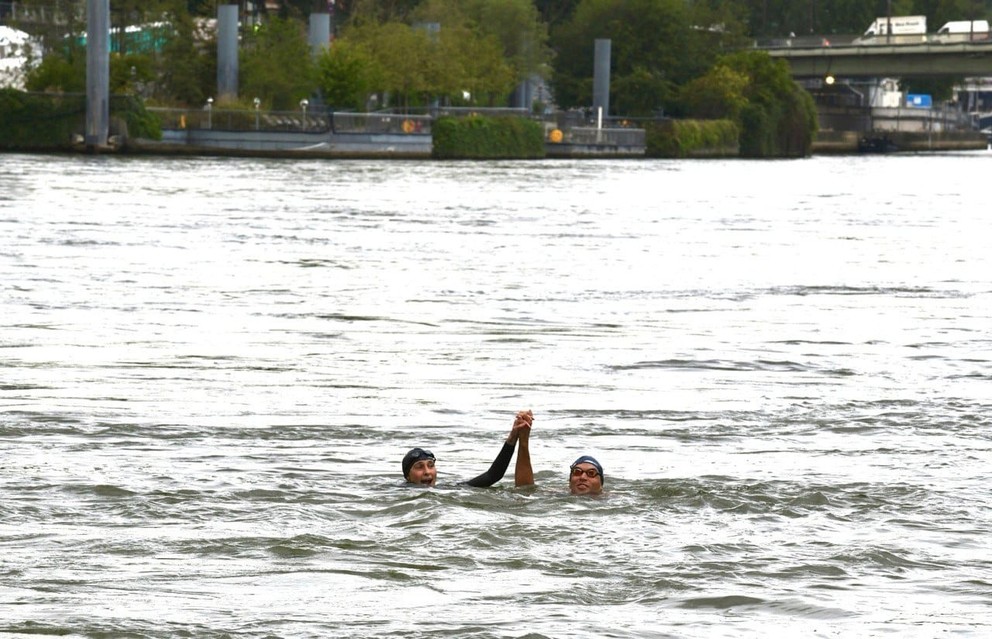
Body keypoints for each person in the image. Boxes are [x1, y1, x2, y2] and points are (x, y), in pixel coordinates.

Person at [401, 411, 532, 487]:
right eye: (419, 467)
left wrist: (512, 438)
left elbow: (493, 475)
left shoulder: (449, 489)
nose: (427, 472)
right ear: (408, 477)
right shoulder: (397, 493)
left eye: (430, 466)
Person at [513, 410, 605, 495]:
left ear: (601, 485)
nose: (583, 477)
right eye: (577, 472)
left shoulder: (614, 499)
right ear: (569, 483)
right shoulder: (557, 496)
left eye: (591, 473)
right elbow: (525, 490)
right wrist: (523, 440)